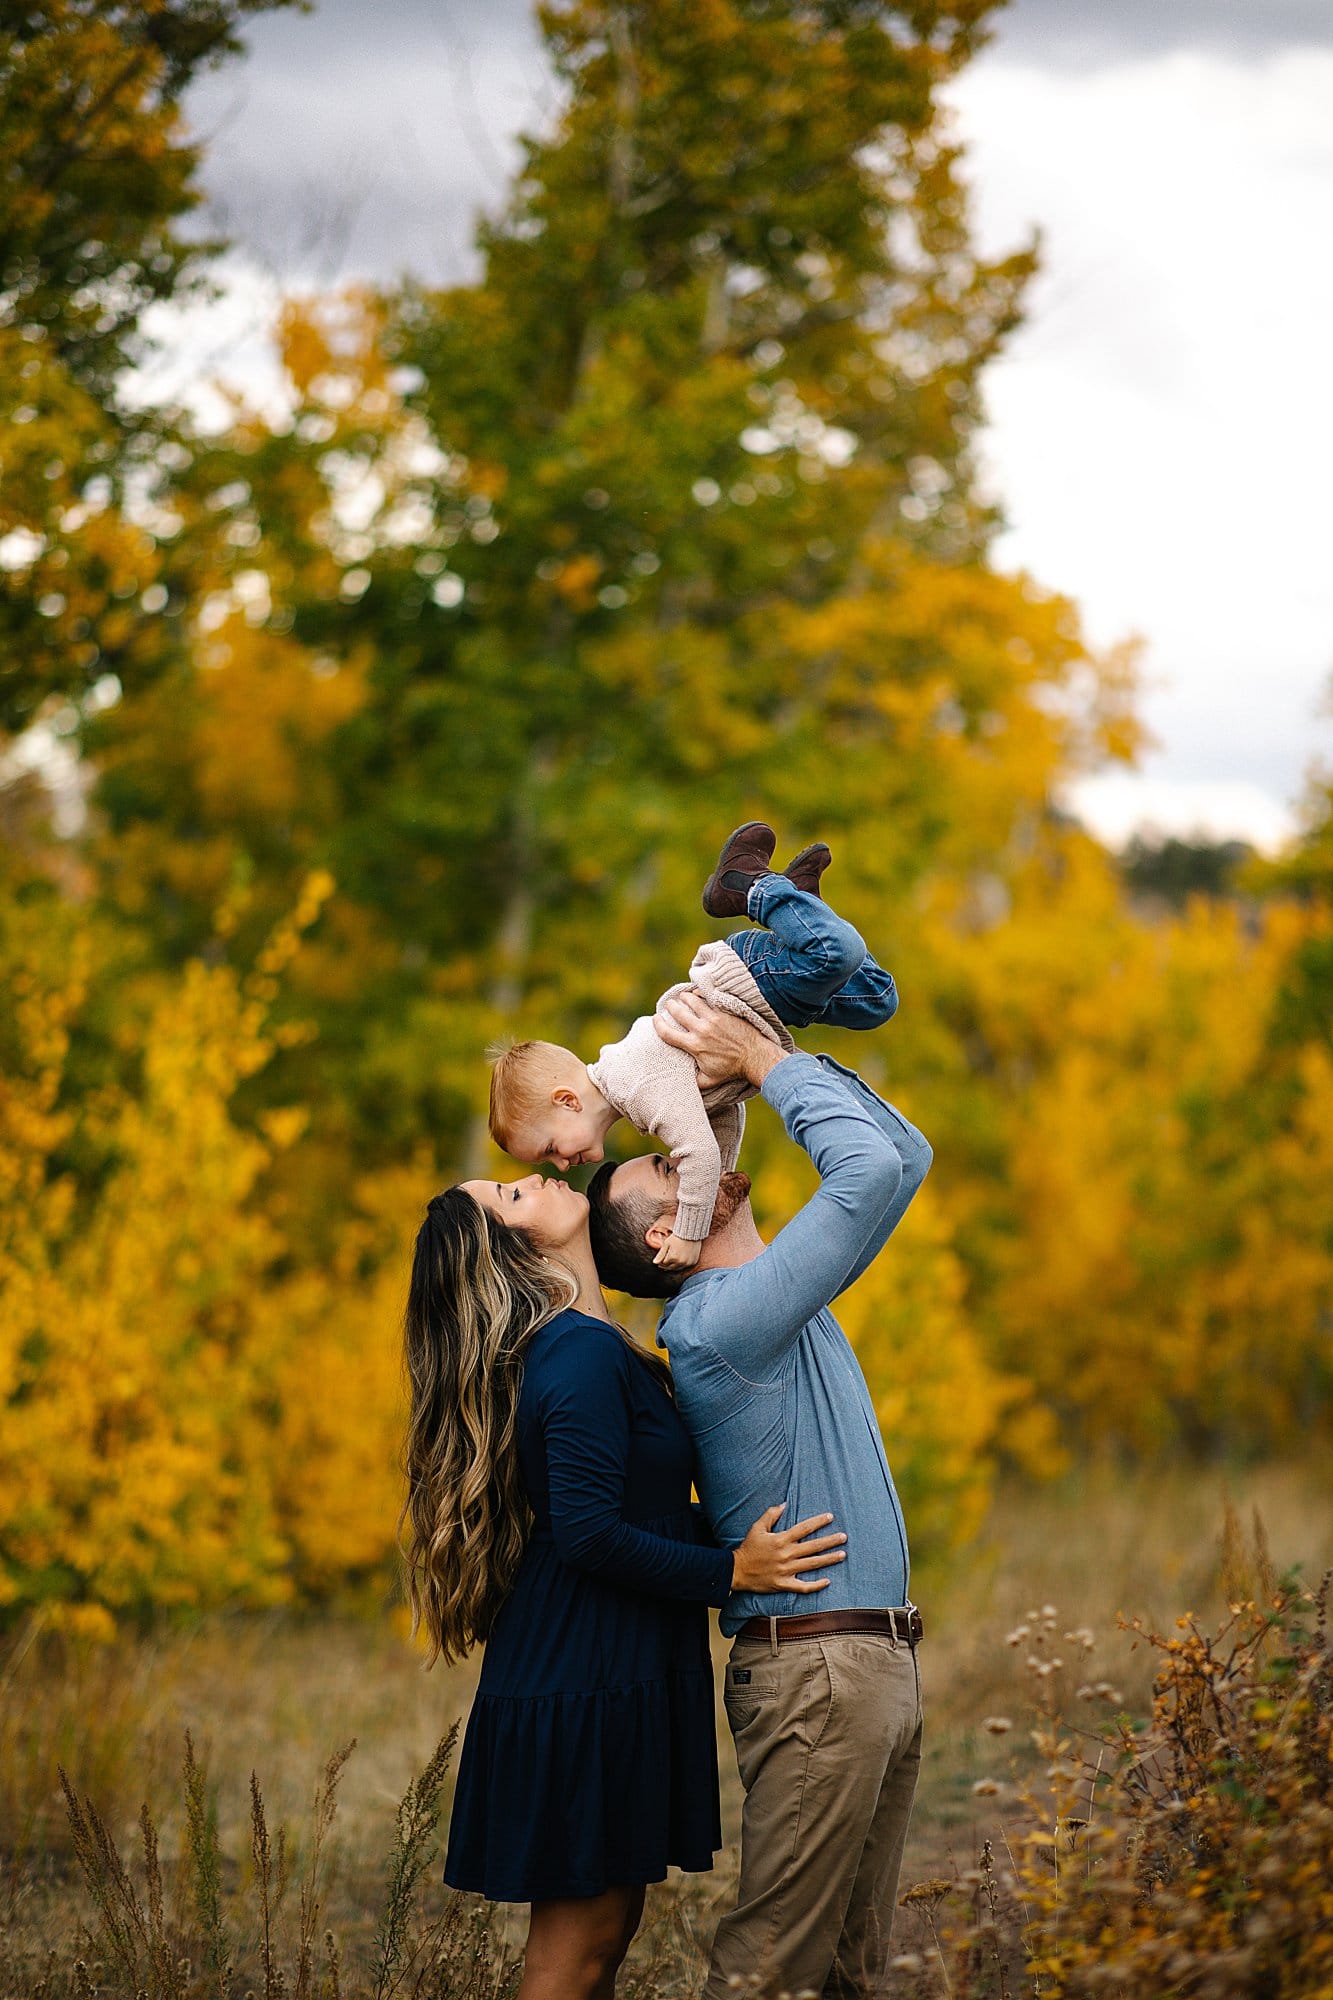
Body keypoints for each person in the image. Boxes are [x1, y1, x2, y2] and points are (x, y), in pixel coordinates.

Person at [400, 1168, 849, 2000]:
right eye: (510, 1195)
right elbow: (588, 1533)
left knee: (603, 1943)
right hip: (583, 1675)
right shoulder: (574, 1357)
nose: (531, 1177)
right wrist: (731, 1571)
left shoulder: (596, 1347)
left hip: (609, 1665)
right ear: (513, 1250)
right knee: (574, 1954)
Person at [586, 992, 933, 2000]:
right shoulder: (717, 1325)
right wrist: (762, 1062)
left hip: (870, 1665)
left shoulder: (776, 1296)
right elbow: (863, 1171)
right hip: (820, 1673)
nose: (685, 1136)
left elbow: (901, 1154)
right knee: (768, 1970)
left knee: (851, 1973)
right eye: (663, 1160)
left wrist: (773, 1050)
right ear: (665, 1236)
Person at [487, 821, 898, 1272]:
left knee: (838, 952)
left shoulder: (635, 1082)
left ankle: (745, 883)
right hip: (768, 1004)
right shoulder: (636, 1099)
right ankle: (801, 909)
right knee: (877, 999)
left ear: (566, 1101)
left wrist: (688, 1232)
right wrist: (721, 1178)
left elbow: (696, 1151)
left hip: (750, 978)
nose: (562, 1166)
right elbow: (723, 1113)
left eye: (550, 1150)